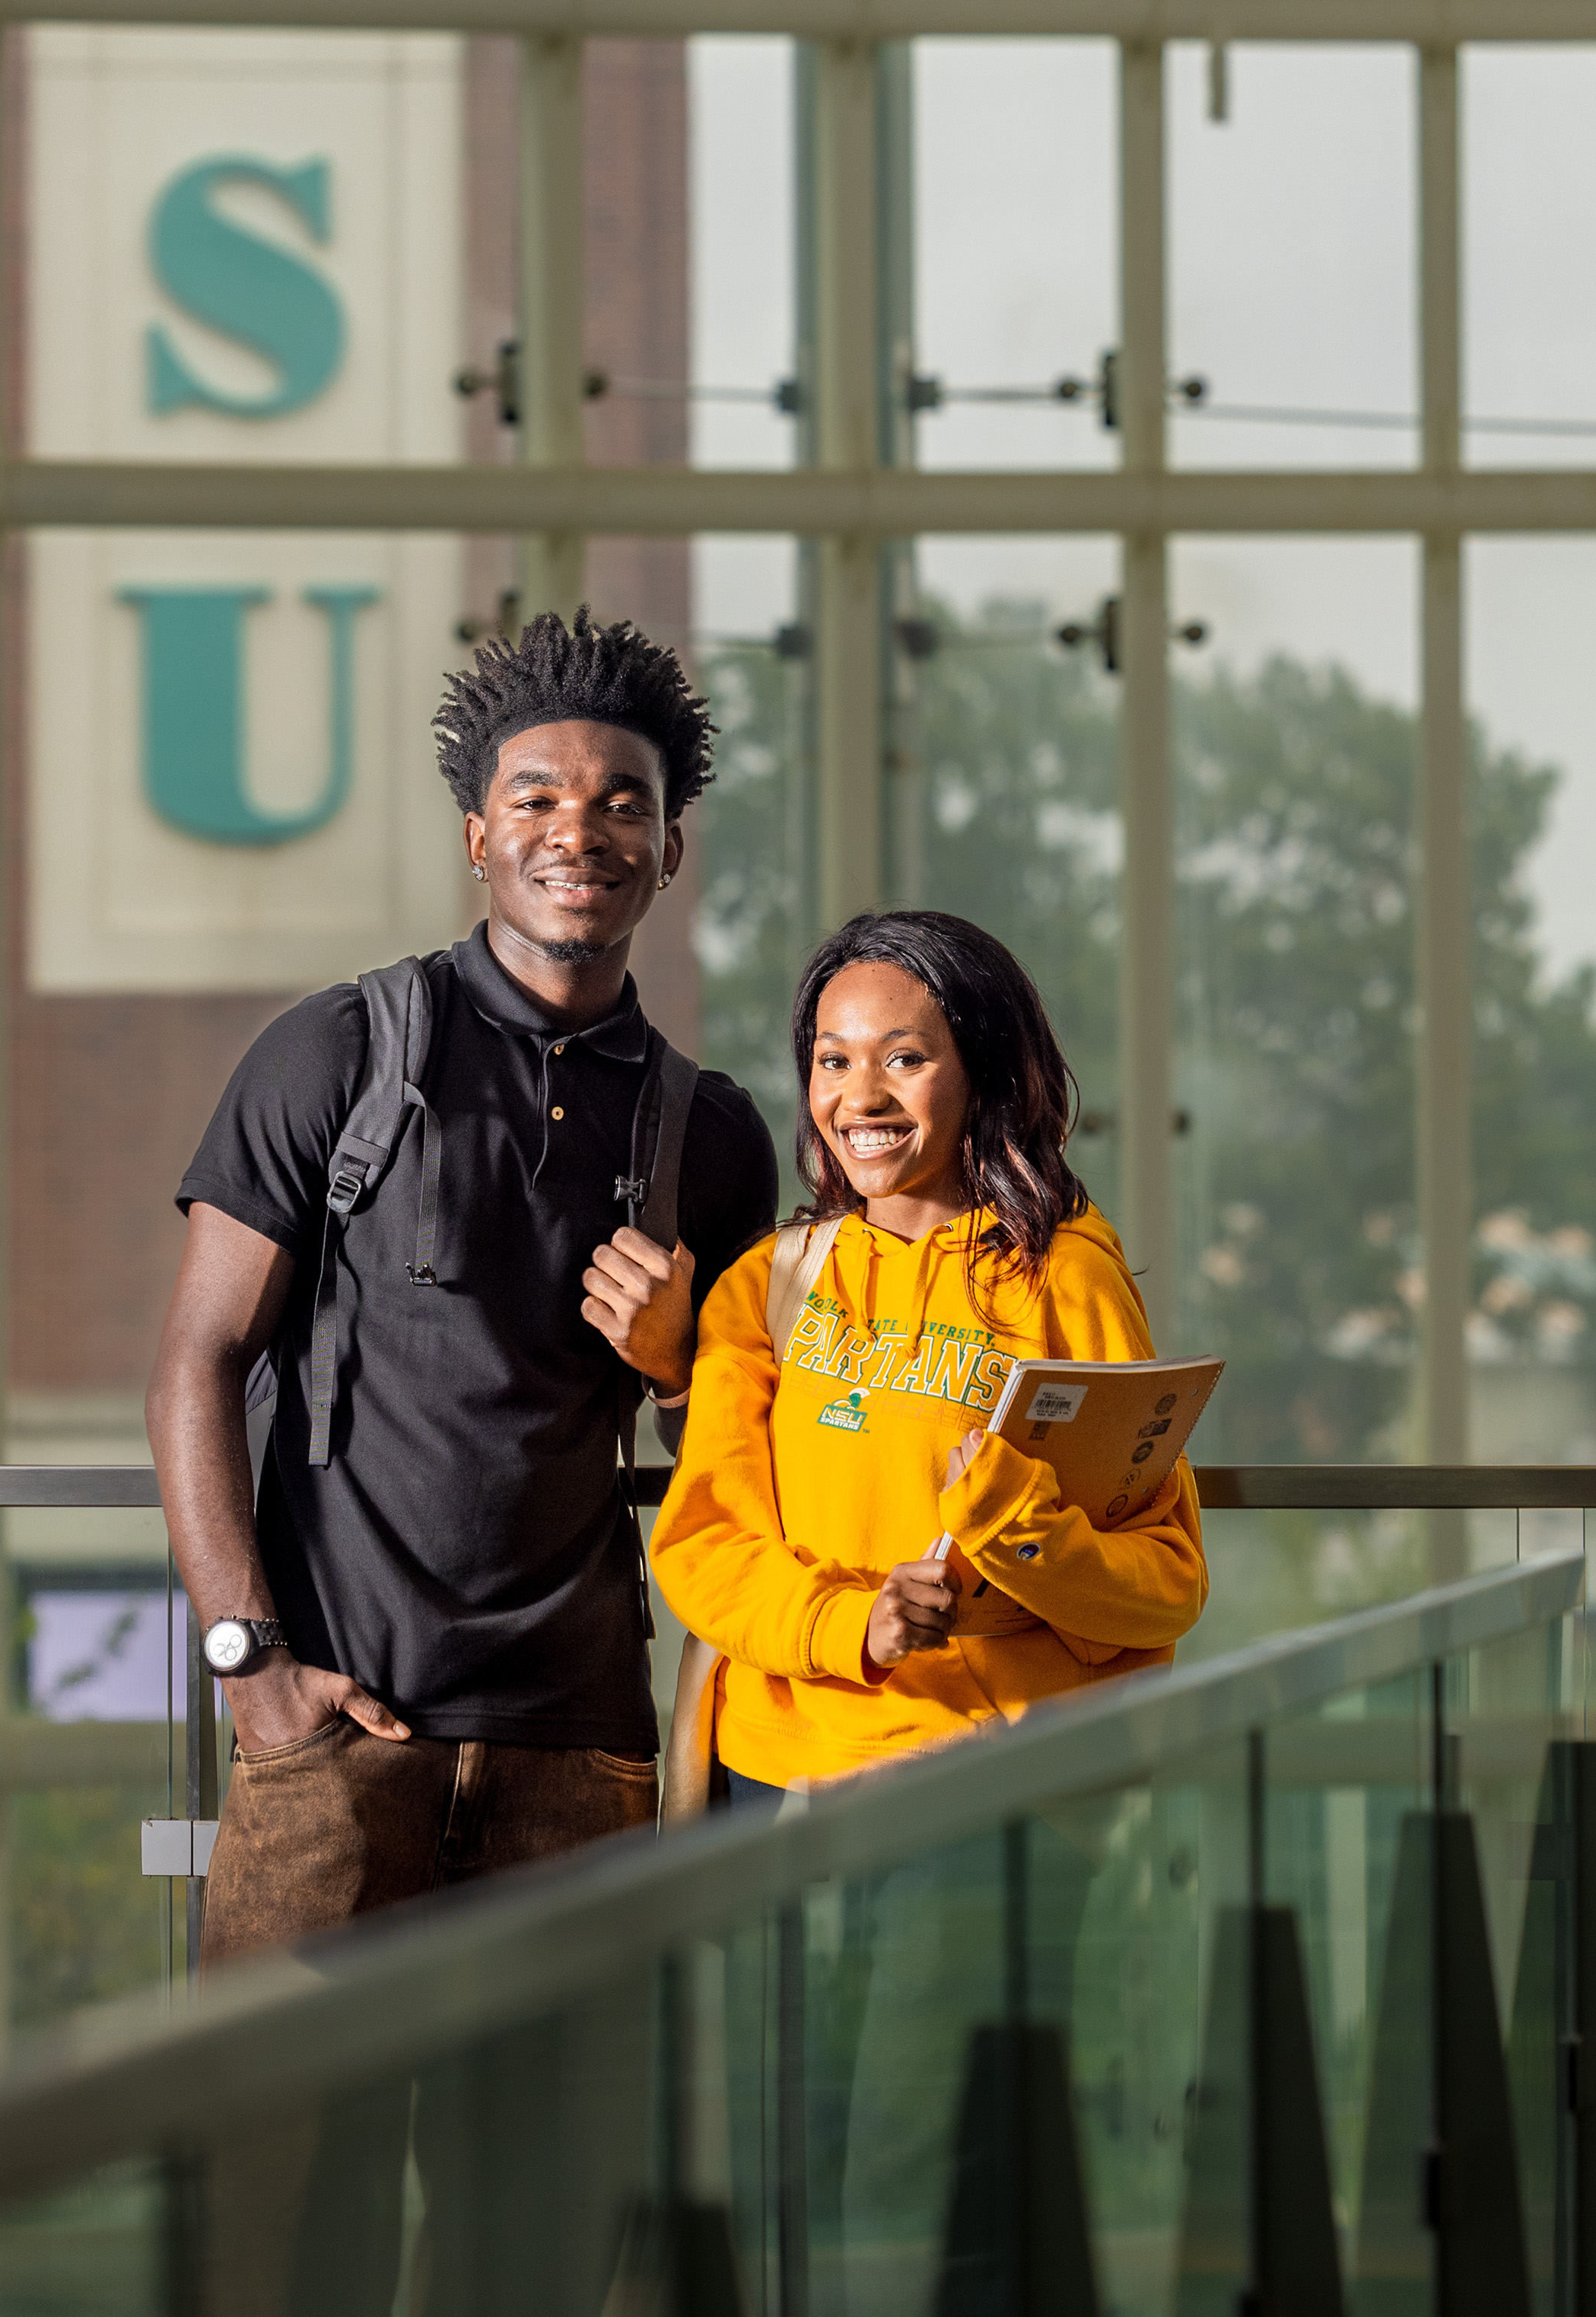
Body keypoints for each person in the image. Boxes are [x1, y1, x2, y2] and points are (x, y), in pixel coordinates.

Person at [153, 609, 778, 1965]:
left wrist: (680, 1364)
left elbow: (741, 1459)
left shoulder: (711, 1133)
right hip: (335, 1730)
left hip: (583, 1758)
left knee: (565, 2118)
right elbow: (198, 1359)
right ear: (479, 836)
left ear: (669, 851)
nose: (579, 830)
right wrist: (252, 1671)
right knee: (278, 2111)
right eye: (537, 798)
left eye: (623, 803)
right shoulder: (336, 1052)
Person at [647, 909, 1205, 1803]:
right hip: (773, 1778)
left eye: (904, 1059)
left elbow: (1165, 1586)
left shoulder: (1066, 1279)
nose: (861, 1097)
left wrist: (1017, 1527)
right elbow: (707, 1543)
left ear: (984, 1072)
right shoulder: (769, 1284)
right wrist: (853, 1625)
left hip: (989, 1789)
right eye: (834, 1061)